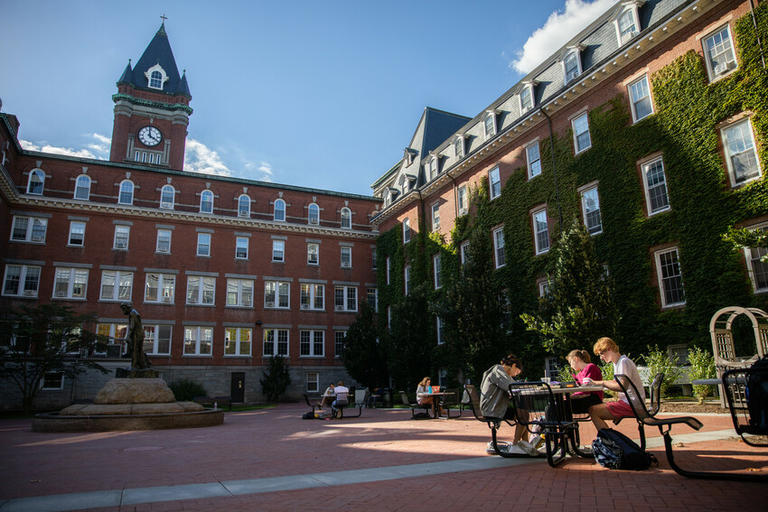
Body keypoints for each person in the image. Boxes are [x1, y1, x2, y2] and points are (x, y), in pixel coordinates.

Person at [480, 354, 539, 455]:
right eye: (516, 372)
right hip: (492, 408)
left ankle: (524, 444)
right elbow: (511, 386)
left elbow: (510, 387)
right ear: (514, 366)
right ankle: (516, 445)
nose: (515, 375)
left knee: (524, 414)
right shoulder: (498, 370)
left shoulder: (500, 372)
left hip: (494, 405)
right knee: (523, 414)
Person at [583, 337, 645, 431]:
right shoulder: (618, 363)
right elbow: (615, 382)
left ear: (609, 348)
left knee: (593, 411)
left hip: (632, 405)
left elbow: (622, 386)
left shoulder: (624, 362)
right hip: (630, 403)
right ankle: (609, 439)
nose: (601, 357)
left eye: (601, 354)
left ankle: (610, 441)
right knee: (594, 409)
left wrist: (601, 383)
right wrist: (597, 383)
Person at [566, 349, 604, 414]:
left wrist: (571, 396)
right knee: (559, 405)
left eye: (570, 362)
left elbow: (587, 390)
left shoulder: (591, 367)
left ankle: (565, 423)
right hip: (587, 399)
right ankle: (567, 423)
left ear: (575, 359)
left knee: (562, 406)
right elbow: (581, 391)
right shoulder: (579, 374)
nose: (571, 366)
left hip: (594, 399)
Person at [120, 302, 149, 370]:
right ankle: (142, 365)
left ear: (128, 307)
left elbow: (132, 326)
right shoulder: (134, 312)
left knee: (135, 349)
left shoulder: (133, 313)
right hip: (139, 333)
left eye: (124, 309)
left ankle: (135, 365)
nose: (123, 311)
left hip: (137, 334)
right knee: (139, 349)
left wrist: (128, 336)